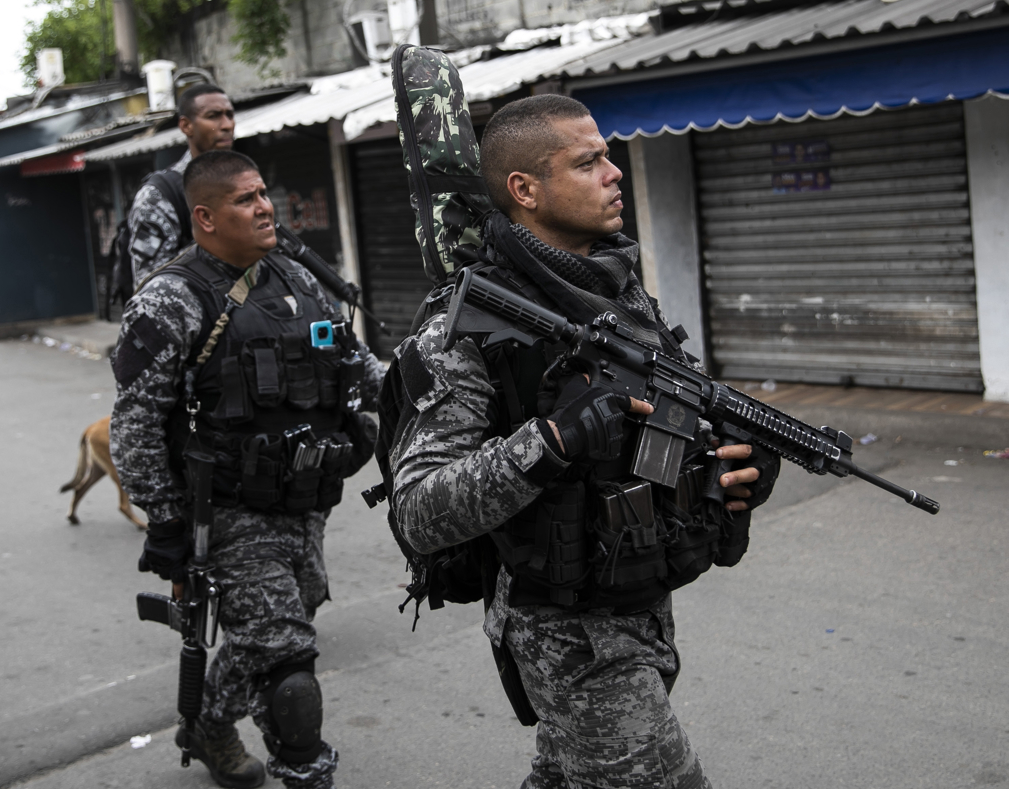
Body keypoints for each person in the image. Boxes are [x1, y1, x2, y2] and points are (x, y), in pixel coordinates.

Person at [390, 95, 781, 788]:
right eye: (588, 161)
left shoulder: (616, 290)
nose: (614, 172)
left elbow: (659, 429)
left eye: (607, 155)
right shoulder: (463, 325)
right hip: (563, 630)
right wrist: (552, 439)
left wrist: (728, 466)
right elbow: (419, 510)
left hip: (638, 599)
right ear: (525, 190)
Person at [110, 150, 384, 789]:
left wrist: (415, 384)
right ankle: (304, 768)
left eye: (264, 193)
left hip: (307, 497)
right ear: (203, 218)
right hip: (228, 512)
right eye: (245, 199)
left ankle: (207, 723)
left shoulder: (297, 279)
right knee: (288, 664)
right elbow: (136, 423)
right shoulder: (171, 299)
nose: (265, 207)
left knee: (292, 617)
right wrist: (168, 524)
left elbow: (356, 367)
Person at [126, 83, 236, 288]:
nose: (227, 125)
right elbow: (149, 283)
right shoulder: (159, 196)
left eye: (230, 115)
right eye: (214, 116)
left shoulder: (243, 184)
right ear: (186, 126)